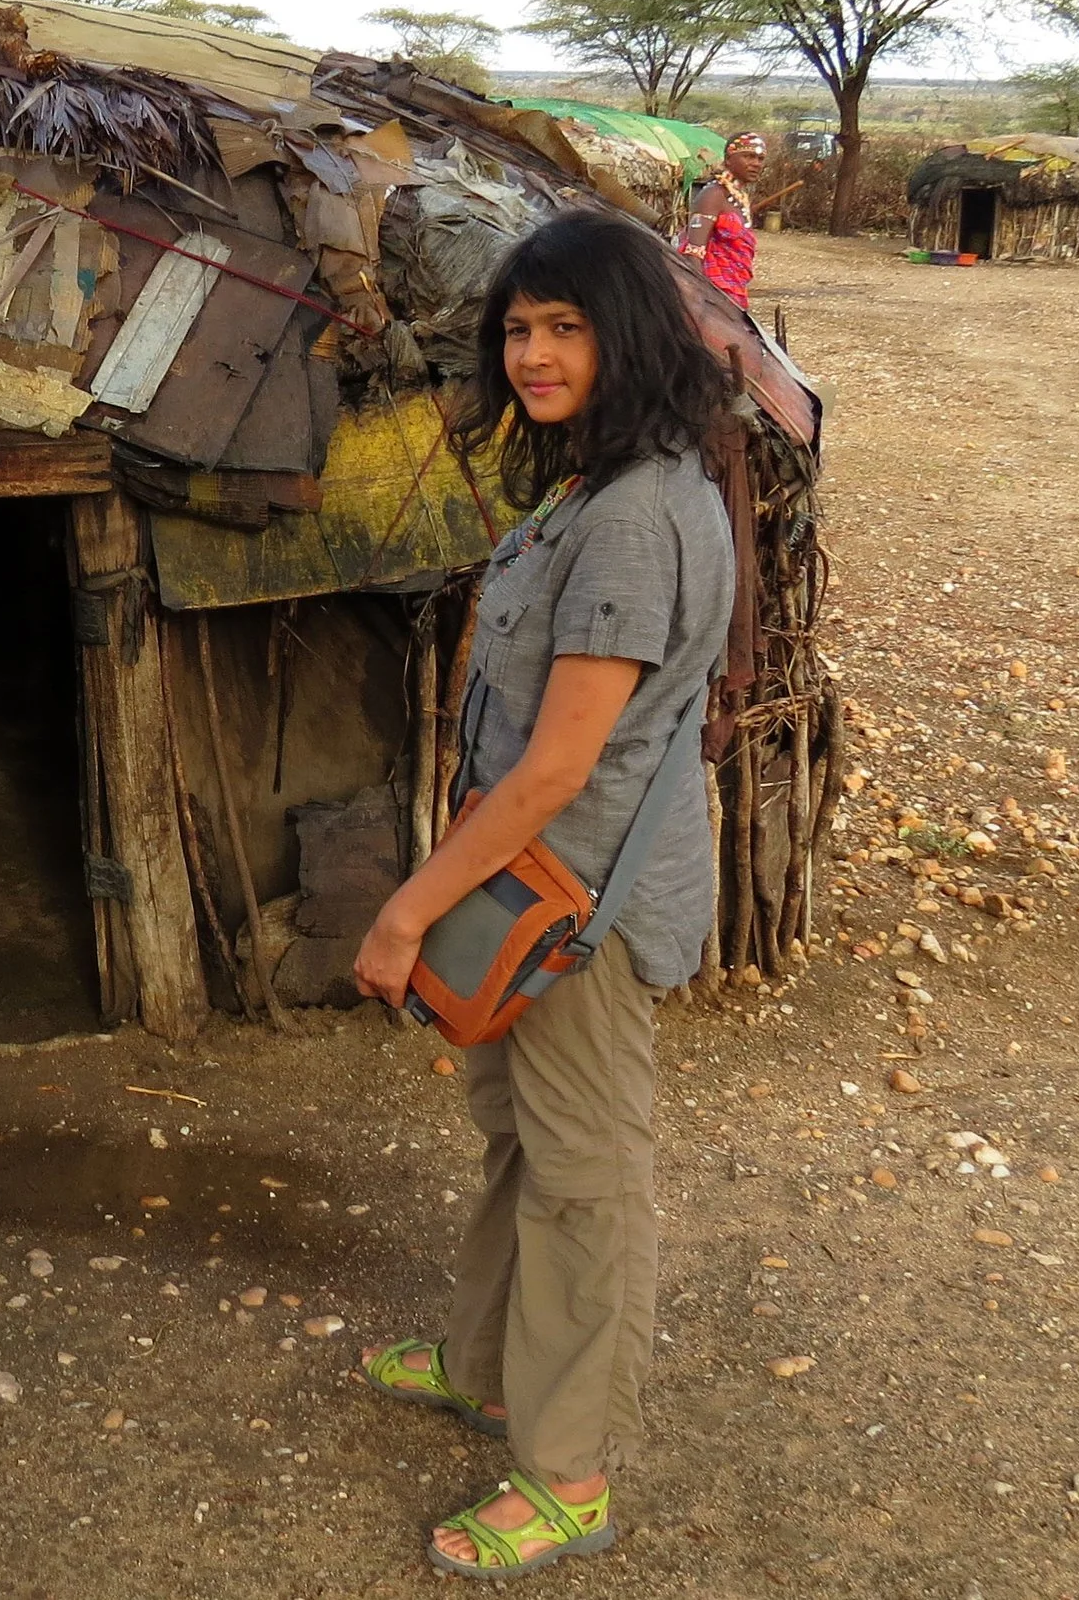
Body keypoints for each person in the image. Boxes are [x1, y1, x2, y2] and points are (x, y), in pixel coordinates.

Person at [349, 212, 732, 1578]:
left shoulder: (635, 519)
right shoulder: (599, 482)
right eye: (520, 328)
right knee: (519, 1134)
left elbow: (560, 765)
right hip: (532, 886)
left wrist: (403, 914)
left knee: (582, 1178)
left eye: (567, 327)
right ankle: (491, 1366)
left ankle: (568, 1472)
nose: (534, 353)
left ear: (625, 336)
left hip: (581, 899)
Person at [677, 132, 765, 307]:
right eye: (748, 156)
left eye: (760, 158)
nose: (756, 163)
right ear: (729, 159)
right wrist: (699, 301)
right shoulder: (713, 195)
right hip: (713, 294)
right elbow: (693, 252)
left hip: (734, 292)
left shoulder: (739, 197)